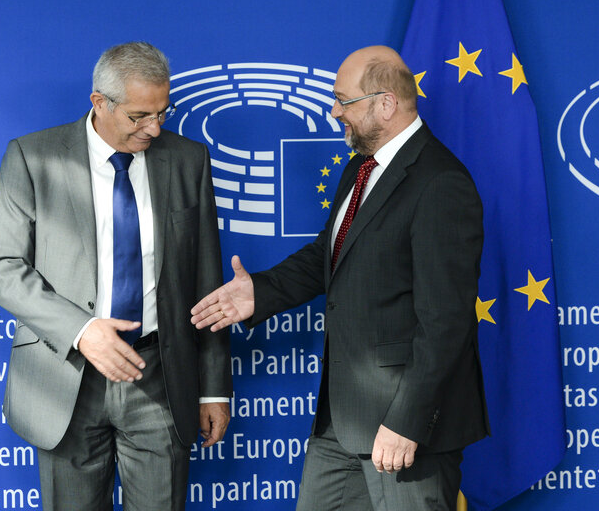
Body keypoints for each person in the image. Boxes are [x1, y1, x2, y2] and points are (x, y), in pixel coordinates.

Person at [191, 45, 489, 511]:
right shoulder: (360, 167)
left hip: (404, 427)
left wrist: (406, 422)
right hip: (341, 420)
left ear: (385, 104)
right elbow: (328, 256)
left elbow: (446, 323)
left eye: (343, 101)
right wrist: (260, 293)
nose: (334, 112)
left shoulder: (440, 183)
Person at [0, 42, 231, 511]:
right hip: (65, 378)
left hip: (159, 374)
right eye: (139, 116)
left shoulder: (187, 160)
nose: (154, 128)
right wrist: (82, 331)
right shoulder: (34, 158)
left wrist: (214, 387)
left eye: (162, 112)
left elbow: (206, 281)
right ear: (100, 103)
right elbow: (1, 268)